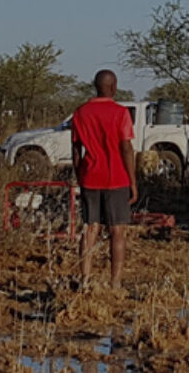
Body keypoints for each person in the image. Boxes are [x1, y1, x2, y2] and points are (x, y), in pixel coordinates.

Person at [71, 70, 138, 289]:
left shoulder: (80, 113)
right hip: (117, 178)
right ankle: (115, 282)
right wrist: (133, 181)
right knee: (117, 231)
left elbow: (76, 150)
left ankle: (85, 280)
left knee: (90, 229)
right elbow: (126, 147)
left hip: (90, 177)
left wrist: (80, 175)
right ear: (113, 87)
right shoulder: (120, 113)